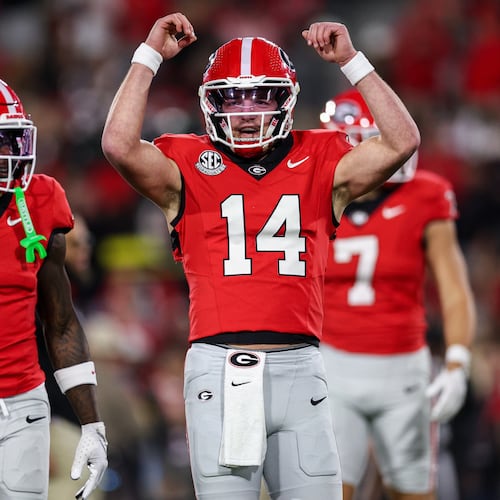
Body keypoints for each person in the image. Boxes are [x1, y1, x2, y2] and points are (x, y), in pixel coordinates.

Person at [101, 12, 420, 500]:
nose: (246, 111)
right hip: (219, 367)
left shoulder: (322, 157)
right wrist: (149, 56)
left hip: (302, 366)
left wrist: (352, 62)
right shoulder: (185, 162)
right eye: (232, 97)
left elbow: (403, 141)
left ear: (285, 100)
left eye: (260, 95)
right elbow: (119, 144)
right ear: (211, 104)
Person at [319, 89, 476, 500]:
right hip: (331, 365)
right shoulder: (309, 195)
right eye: (373, 139)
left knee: (412, 491)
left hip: (403, 368)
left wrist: (458, 359)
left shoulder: (427, 195)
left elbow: (453, 286)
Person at [0, 78, 108, 500]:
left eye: (9, 140)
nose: (6, 155)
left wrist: (93, 424)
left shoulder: (40, 200)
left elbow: (61, 323)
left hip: (23, 403)